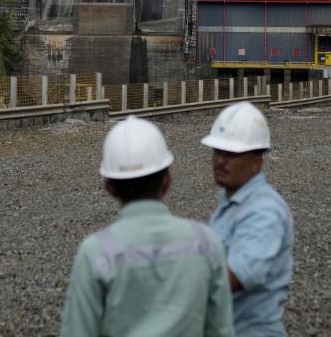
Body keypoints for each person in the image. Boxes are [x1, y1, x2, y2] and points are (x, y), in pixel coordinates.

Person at [60, 115, 235, 337]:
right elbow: (221, 329)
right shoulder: (206, 243)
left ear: (109, 188)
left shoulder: (95, 252)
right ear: (167, 180)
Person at [201, 102, 294, 337]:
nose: (220, 161)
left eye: (231, 154)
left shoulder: (264, 211)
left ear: (256, 161)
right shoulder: (231, 203)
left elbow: (235, 277)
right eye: (217, 151)